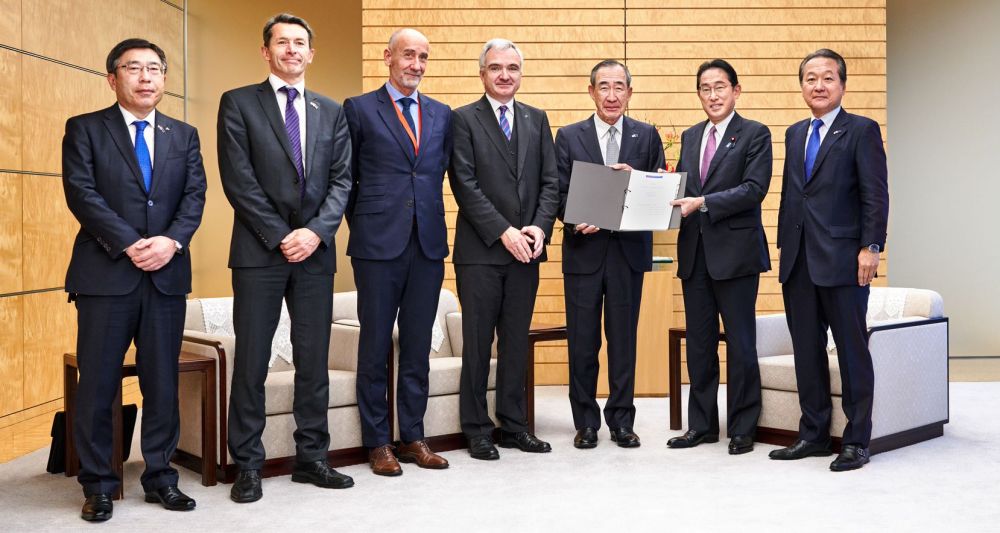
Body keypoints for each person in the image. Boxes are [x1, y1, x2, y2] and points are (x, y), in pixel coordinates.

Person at [63, 38, 206, 521]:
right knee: (98, 384)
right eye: (134, 68)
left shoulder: (184, 135)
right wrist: (129, 243)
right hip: (105, 276)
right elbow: (82, 194)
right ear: (112, 78)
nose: (146, 77)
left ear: (164, 78)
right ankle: (99, 484)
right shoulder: (84, 129)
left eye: (155, 69)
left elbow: (195, 197)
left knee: (162, 383)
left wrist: (170, 242)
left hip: (166, 275)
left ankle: (161, 477)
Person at [218, 13, 354, 502]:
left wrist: (314, 234)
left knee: (313, 361)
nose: (292, 50)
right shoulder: (237, 103)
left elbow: (343, 181)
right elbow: (239, 182)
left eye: (300, 43)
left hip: (316, 256)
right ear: (266, 51)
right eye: (282, 42)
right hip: (259, 252)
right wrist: (282, 236)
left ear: (311, 54)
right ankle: (248, 465)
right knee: (252, 360)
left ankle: (312, 458)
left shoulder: (331, 111)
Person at [768, 49, 888, 471]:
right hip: (798, 260)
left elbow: (875, 194)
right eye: (810, 79)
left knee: (853, 352)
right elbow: (793, 195)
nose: (818, 86)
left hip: (844, 260)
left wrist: (871, 248)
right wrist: (784, 244)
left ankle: (857, 441)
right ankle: (814, 434)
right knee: (806, 350)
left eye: (827, 78)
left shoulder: (861, 130)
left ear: (842, 84)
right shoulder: (794, 132)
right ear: (802, 85)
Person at [343, 28, 452, 476]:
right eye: (408, 55)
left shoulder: (442, 114)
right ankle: (377, 443)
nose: (416, 64)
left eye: (423, 57)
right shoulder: (360, 108)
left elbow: (437, 172)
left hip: (426, 243)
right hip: (376, 245)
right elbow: (345, 179)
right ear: (388, 57)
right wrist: (368, 226)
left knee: (417, 345)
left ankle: (412, 437)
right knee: (373, 346)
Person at [449, 38, 560, 460]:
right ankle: (477, 429)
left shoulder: (536, 118)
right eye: (495, 67)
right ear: (482, 73)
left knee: (515, 341)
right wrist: (504, 232)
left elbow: (550, 182)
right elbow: (465, 185)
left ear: (520, 73)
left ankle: (514, 426)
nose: (504, 75)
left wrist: (538, 227)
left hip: (528, 251)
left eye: (512, 68)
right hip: (481, 252)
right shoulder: (463, 120)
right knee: (478, 343)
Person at [554, 60, 665, 450]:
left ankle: (622, 421)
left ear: (630, 93)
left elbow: (658, 189)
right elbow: (558, 191)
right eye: (604, 86)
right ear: (591, 91)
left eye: (620, 87)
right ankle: (585, 422)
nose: (612, 95)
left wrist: (636, 181)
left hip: (628, 254)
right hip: (583, 252)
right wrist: (574, 218)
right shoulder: (568, 136)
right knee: (583, 343)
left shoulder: (647, 136)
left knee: (623, 342)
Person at [666, 59, 772, 455]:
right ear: (699, 94)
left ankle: (743, 426)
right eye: (705, 89)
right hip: (695, 256)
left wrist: (704, 202)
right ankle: (702, 426)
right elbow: (681, 187)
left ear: (736, 91)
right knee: (700, 343)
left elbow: (753, 189)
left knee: (741, 344)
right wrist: (647, 182)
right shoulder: (692, 136)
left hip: (736, 256)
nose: (713, 95)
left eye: (720, 87)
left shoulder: (755, 134)